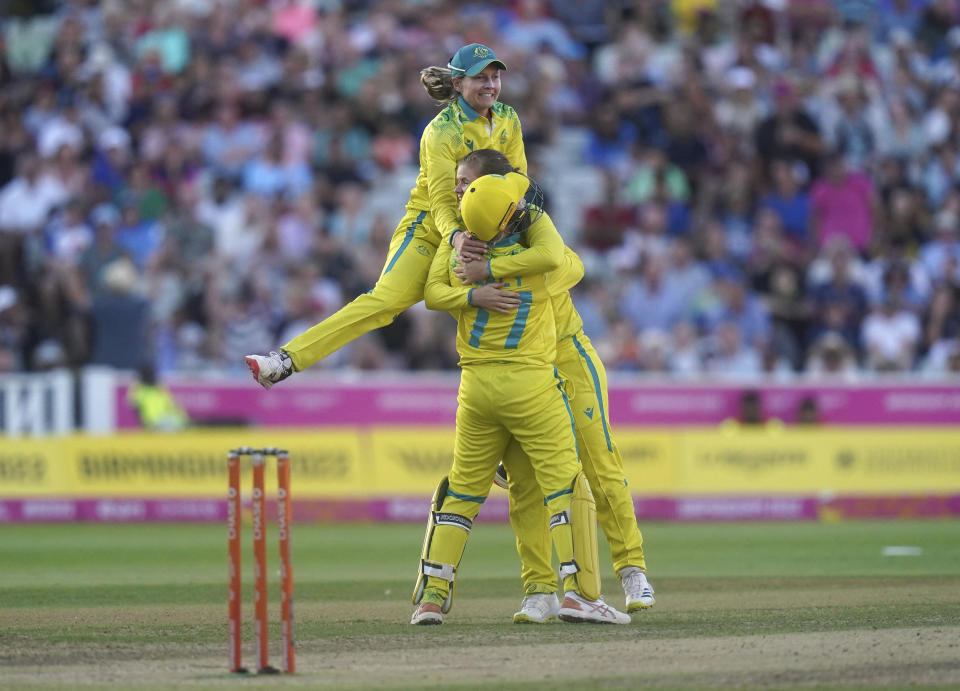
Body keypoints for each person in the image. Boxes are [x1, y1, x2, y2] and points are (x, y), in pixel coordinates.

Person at [410, 171, 629, 626]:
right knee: (565, 486)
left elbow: (432, 294)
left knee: (464, 492)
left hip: (475, 390)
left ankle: (431, 598)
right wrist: (498, 264)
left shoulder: (456, 262)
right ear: (512, 216)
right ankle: (582, 595)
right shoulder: (539, 267)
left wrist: (471, 290)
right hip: (529, 386)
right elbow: (568, 262)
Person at [244, 43, 525, 387]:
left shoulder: (508, 119)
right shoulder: (441, 131)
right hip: (430, 230)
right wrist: (456, 237)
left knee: (518, 297)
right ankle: (286, 360)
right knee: (385, 302)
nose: (491, 85)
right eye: (480, 78)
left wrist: (509, 226)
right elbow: (439, 198)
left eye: (495, 77)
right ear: (457, 84)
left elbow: (517, 180)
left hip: (482, 232)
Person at [454, 149, 654, 621]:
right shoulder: (462, 237)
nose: (459, 190)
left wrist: (495, 272)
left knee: (597, 461)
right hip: (518, 370)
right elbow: (443, 297)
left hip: (566, 352)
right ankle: (539, 590)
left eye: (468, 182)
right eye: (459, 182)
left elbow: (571, 268)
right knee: (524, 483)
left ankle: (632, 569)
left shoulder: (533, 223)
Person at [127, 362, 189, 431]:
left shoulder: (159, 388)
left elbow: (173, 405)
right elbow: (132, 405)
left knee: (178, 423)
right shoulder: (139, 389)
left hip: (166, 420)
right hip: (153, 423)